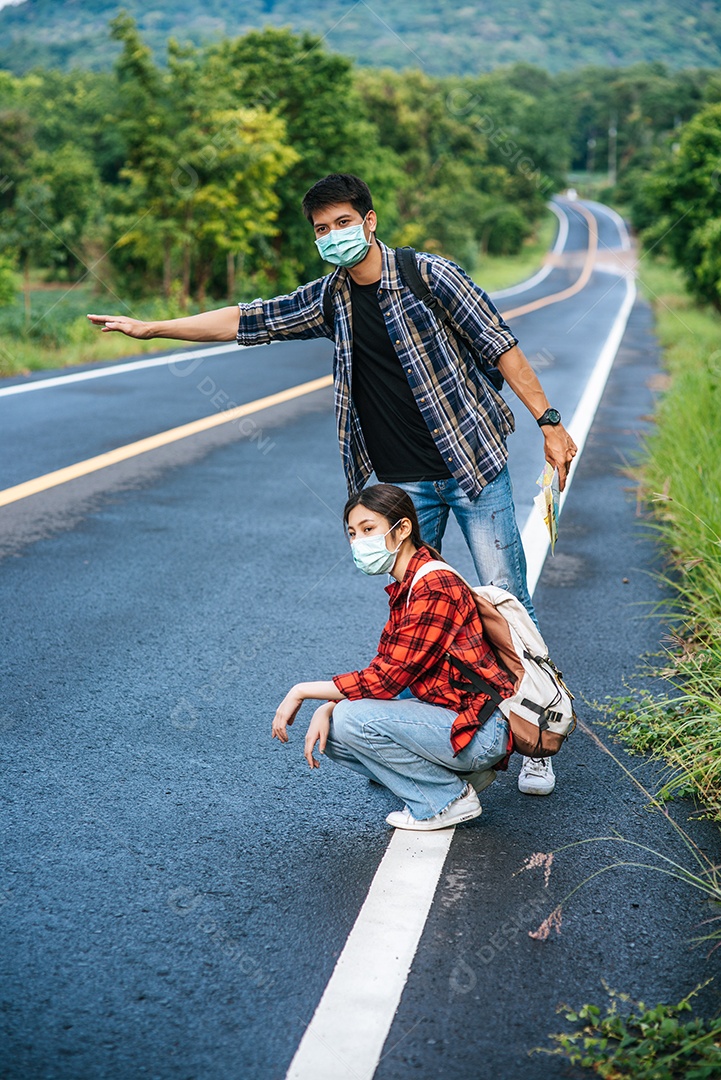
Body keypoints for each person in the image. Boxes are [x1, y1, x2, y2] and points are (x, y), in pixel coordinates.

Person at [87, 172, 577, 796]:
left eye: (343, 223)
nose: (333, 237)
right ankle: (434, 737)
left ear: (369, 221)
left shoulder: (431, 276)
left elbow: (501, 346)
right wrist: (152, 328)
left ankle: (537, 733)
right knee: (417, 612)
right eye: (322, 229)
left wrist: (549, 422)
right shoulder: (331, 299)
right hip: (402, 488)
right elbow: (249, 319)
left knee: (504, 600)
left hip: (471, 466)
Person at [271, 484, 516, 831]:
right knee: (335, 733)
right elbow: (387, 669)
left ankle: (445, 800)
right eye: (353, 533)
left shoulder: (433, 586)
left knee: (351, 719)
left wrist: (302, 690)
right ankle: (449, 783)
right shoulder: (410, 583)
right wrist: (328, 706)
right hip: (456, 719)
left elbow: (387, 680)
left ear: (401, 529)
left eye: (369, 529)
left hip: (480, 729)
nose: (358, 542)